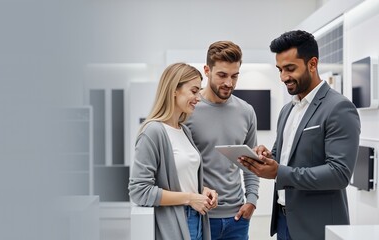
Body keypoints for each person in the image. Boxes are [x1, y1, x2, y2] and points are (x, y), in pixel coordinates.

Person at [238, 30, 361, 240]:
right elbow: (281, 156)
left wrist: (279, 172)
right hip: (284, 222)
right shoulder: (287, 110)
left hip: (317, 227)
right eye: (280, 69)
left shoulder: (339, 107)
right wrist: (265, 157)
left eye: (290, 68)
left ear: (312, 64)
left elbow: (339, 174)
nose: (283, 77)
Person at [128, 62, 218, 240]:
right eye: (194, 91)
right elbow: (139, 191)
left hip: (197, 218)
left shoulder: (184, 130)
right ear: (174, 90)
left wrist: (202, 191)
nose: (198, 98)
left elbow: (182, 178)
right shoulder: (153, 132)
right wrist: (190, 198)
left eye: (199, 91)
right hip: (176, 221)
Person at [185, 41, 260, 240]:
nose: (229, 83)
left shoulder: (246, 112)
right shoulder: (188, 110)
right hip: (199, 215)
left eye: (235, 76)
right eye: (222, 75)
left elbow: (251, 164)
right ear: (207, 70)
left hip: (237, 218)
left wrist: (251, 200)